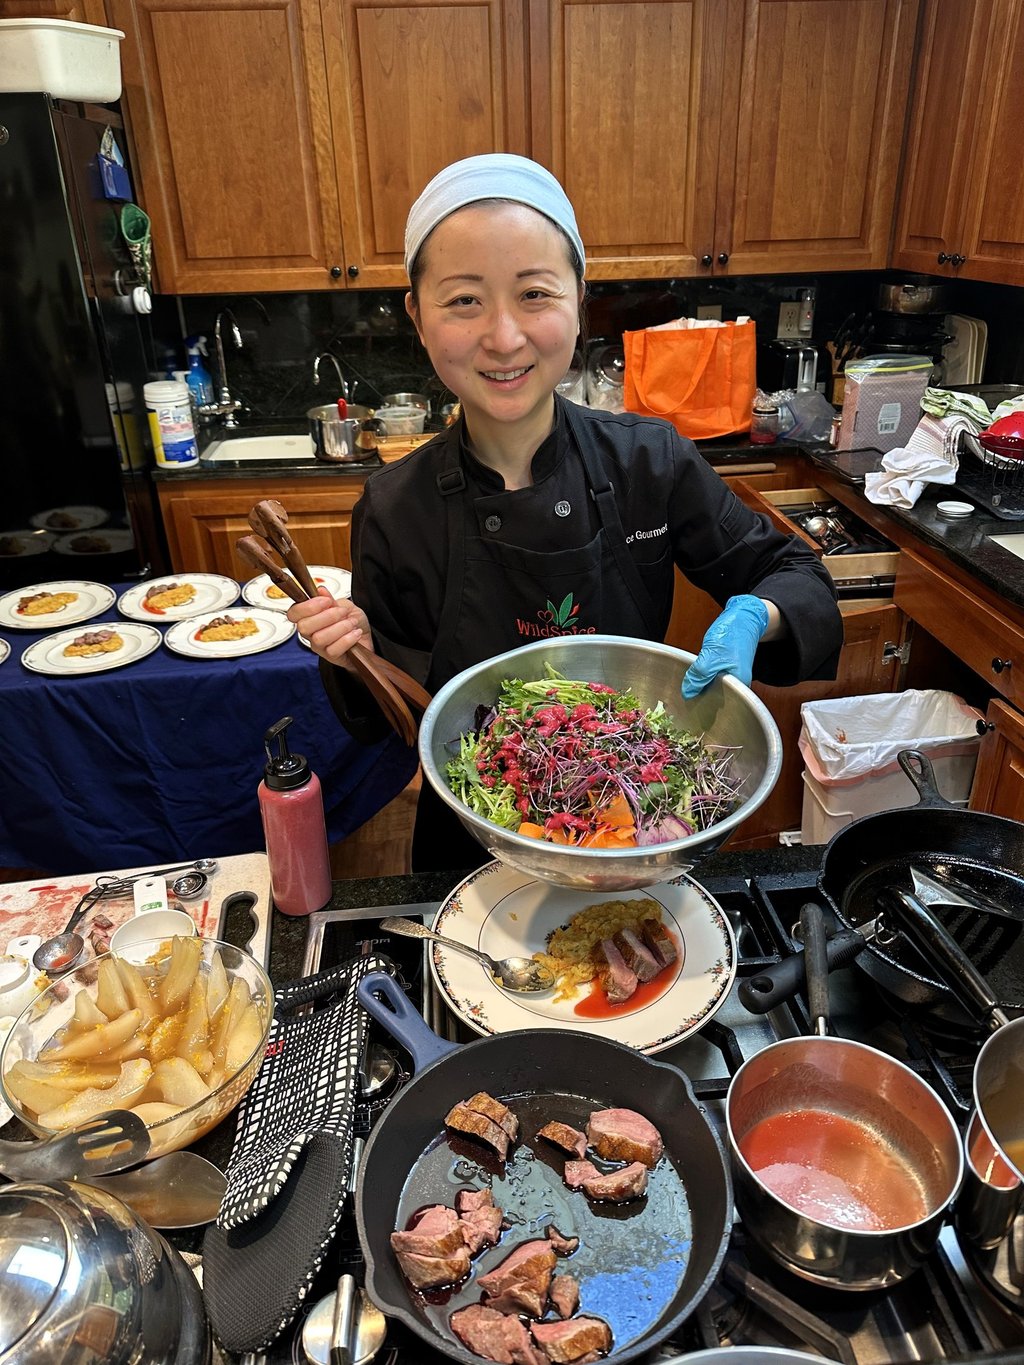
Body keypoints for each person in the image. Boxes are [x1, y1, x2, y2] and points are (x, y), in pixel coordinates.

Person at [289, 153, 843, 871]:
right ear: (416, 316)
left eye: (535, 294)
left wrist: (755, 614)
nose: (505, 336)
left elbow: (796, 573)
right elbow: (381, 721)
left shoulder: (650, 461)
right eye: (464, 300)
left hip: (640, 835)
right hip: (474, 844)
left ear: (579, 298)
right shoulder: (396, 509)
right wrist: (351, 652)